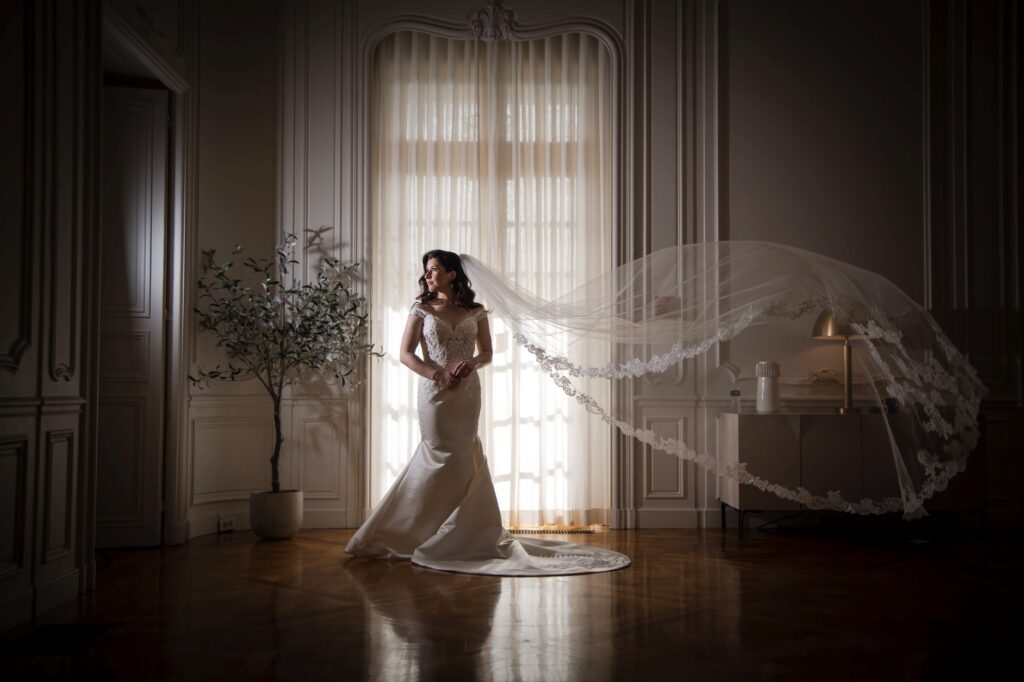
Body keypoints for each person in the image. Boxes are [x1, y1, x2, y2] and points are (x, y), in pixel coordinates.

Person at [344, 250, 631, 575]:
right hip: (435, 392)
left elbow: (488, 352)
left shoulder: (475, 311)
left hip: (466, 393)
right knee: (438, 456)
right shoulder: (421, 309)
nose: (428, 275)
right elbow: (405, 354)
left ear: (453, 274)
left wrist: (472, 363)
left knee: (464, 456)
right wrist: (437, 375)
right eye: (427, 270)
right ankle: (405, 533)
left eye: (435, 269)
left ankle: (459, 533)